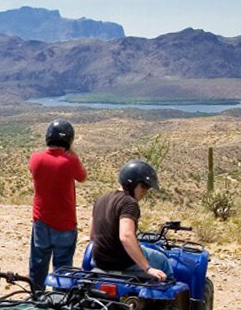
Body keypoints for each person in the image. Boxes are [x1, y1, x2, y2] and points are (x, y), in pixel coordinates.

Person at [90, 159, 172, 280]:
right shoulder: (129, 203)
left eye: (148, 187)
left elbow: (92, 236)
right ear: (131, 183)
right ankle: (168, 289)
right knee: (163, 261)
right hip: (122, 263)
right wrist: (148, 268)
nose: (145, 191)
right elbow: (126, 236)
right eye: (143, 185)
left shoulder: (100, 199)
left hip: (99, 262)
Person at [28, 119, 87, 287]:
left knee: (38, 265)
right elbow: (83, 177)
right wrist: (71, 151)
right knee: (62, 270)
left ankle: (36, 296)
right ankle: (59, 299)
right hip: (65, 224)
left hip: (41, 221)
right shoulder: (70, 162)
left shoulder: (35, 159)